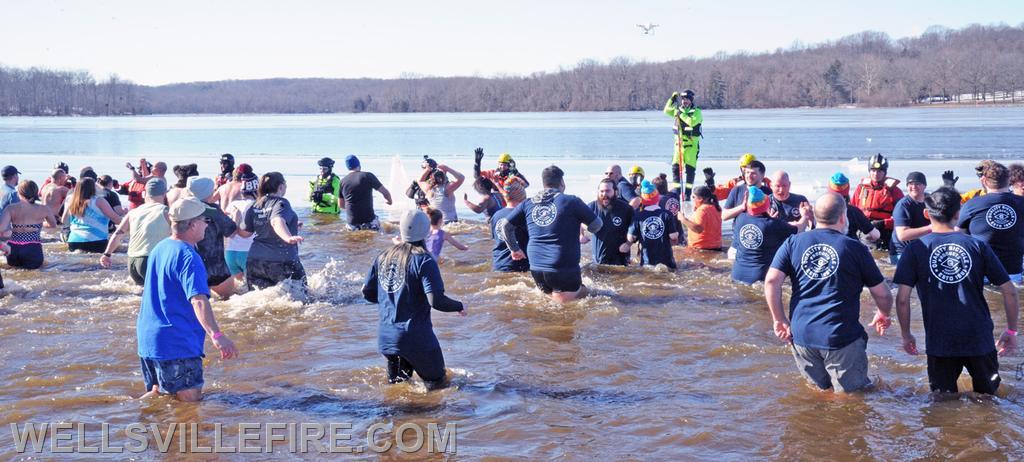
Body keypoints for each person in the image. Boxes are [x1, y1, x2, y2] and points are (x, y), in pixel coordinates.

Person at [764, 192, 894, 393]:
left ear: (815, 216)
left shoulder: (793, 242)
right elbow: (883, 294)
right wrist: (884, 313)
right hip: (840, 337)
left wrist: (778, 319)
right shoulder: (855, 248)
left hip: (801, 336)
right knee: (851, 400)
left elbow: (771, 281)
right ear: (843, 217)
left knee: (820, 393)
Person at [894, 187, 1019, 395]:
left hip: (940, 341)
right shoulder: (977, 246)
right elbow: (1009, 291)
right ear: (957, 214)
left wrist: (906, 335)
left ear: (927, 214)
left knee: (943, 402)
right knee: (989, 399)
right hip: (979, 338)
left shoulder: (915, 249)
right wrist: (1012, 330)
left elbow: (902, 300)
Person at [137, 197, 239, 402]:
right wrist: (217, 336)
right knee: (189, 407)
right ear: (192, 225)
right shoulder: (188, 257)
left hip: (149, 340)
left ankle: (126, 419)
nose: (206, 224)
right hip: (176, 343)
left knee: (159, 398)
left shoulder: (160, 247)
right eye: (204, 220)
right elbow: (199, 300)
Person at [361, 209, 466, 389]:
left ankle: (400, 418)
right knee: (440, 385)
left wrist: (394, 300)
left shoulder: (383, 256)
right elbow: (436, 301)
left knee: (398, 392)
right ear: (426, 231)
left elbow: (368, 294)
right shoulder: (424, 260)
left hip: (387, 338)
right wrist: (459, 305)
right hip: (416, 338)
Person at [501, 165, 602, 303]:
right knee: (594, 294)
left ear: (544, 183)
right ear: (562, 183)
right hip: (562, 268)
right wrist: (578, 222)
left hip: (536, 268)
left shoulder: (528, 203)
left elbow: (505, 226)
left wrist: (514, 249)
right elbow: (597, 225)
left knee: (549, 304)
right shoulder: (571, 201)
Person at [957, 161, 1024, 283]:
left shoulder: (972, 204)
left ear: (983, 181)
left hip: (982, 271)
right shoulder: (1021, 202)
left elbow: (956, 237)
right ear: (1009, 180)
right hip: (1013, 271)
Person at [238, 172, 306, 290]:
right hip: (282, 260)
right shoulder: (281, 202)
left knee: (258, 300)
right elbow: (276, 221)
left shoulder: (255, 204)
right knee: (302, 298)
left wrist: (292, 225)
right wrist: (288, 237)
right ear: (280, 187)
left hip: (255, 261)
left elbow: (245, 233)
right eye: (285, 184)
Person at [100, 178, 171, 286]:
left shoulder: (133, 212)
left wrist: (107, 254)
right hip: (151, 260)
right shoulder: (166, 212)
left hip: (132, 262)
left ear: (144, 193)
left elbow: (118, 234)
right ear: (165, 193)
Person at [732, 186, 808, 284]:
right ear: (766, 204)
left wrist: (771, 220)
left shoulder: (740, 219)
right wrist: (805, 215)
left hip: (737, 274)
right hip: (760, 278)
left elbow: (760, 224)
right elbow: (799, 228)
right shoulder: (773, 224)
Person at [187, 177, 238, 299]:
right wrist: (235, 217)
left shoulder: (185, 207)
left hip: (192, 264)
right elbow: (230, 230)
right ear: (207, 192)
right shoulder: (213, 210)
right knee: (229, 300)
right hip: (216, 267)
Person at [851, 153, 904, 251]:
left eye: (879, 171)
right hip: (864, 230)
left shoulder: (895, 191)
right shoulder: (861, 188)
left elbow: (902, 218)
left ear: (885, 172)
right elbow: (852, 210)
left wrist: (883, 223)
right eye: (873, 170)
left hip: (885, 231)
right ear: (869, 171)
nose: (876, 174)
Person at [0, 181, 58, 269]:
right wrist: (37, 225)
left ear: (19, 193)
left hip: (13, 249)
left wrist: (14, 229)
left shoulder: (10, 208)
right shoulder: (44, 209)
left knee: (16, 275)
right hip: (33, 248)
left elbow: (1, 229)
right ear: (35, 193)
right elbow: (53, 225)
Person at [625, 180, 679, 269]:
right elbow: (673, 237)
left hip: (647, 262)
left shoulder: (638, 215)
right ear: (658, 198)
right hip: (667, 262)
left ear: (643, 200)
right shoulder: (666, 214)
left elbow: (631, 238)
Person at [62, 177, 122, 253]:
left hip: (73, 241)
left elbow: (63, 220)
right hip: (96, 241)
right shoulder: (99, 201)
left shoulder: (71, 200)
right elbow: (116, 219)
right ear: (93, 188)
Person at [663, 89, 703, 200]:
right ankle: (677, 192)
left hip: (691, 147)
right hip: (678, 146)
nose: (684, 101)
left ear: (691, 100)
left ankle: (687, 194)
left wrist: (680, 115)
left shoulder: (697, 112)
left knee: (690, 170)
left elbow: (692, 122)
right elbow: (666, 110)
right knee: (675, 169)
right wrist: (671, 99)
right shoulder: (677, 110)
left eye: (687, 99)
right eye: (683, 99)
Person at [583, 178, 634, 265]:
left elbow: (635, 228)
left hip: (620, 261)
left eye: (607, 191)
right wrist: (581, 235)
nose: (604, 194)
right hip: (598, 261)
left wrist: (628, 243)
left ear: (615, 192)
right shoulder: (591, 207)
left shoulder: (626, 209)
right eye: (601, 191)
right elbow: (580, 221)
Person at [339, 155, 392, 231]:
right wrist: (389, 201)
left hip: (352, 222)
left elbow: (341, 205)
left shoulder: (342, 181)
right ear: (359, 165)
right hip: (369, 220)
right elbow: (385, 193)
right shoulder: (367, 176)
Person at [889, 172, 931, 264]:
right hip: (901, 252)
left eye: (917, 184)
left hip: (921, 248)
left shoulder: (931, 200)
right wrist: (931, 228)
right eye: (910, 184)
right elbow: (902, 235)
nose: (914, 187)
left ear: (924, 186)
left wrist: (949, 187)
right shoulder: (903, 205)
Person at [224, 172, 258, 284]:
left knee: (238, 288)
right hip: (247, 252)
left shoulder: (233, 204)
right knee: (252, 290)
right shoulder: (257, 205)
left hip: (230, 253)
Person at [490, 177, 530, 272]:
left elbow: (496, 239)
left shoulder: (496, 215)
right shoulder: (524, 215)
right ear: (522, 196)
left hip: (499, 264)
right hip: (518, 265)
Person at [827, 173, 880, 243]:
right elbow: (875, 235)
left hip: (827, 248)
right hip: (850, 247)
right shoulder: (854, 212)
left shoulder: (821, 211)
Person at [679, 185, 723, 251]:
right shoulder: (716, 207)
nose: (692, 199)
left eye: (693, 197)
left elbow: (698, 229)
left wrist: (683, 219)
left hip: (701, 248)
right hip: (715, 246)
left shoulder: (702, 210)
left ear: (700, 199)